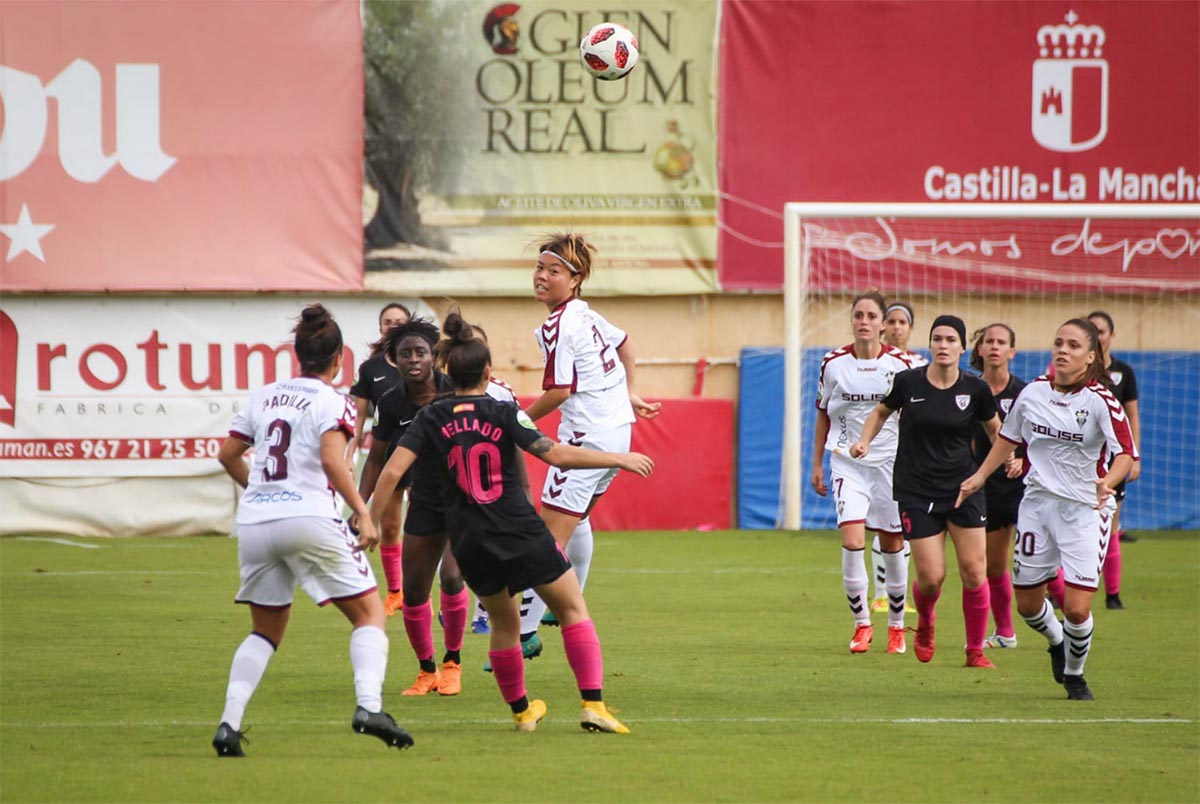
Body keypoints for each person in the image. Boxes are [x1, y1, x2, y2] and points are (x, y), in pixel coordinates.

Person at [370, 312, 654, 732]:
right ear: (488, 371)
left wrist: (370, 522)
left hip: (468, 539)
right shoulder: (504, 410)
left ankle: (522, 713)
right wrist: (617, 457)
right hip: (517, 527)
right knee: (574, 610)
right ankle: (593, 704)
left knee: (504, 624)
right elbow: (555, 454)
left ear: (446, 368)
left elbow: (391, 474)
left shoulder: (430, 417)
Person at [211, 304, 413, 757]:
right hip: (310, 517)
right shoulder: (331, 400)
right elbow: (329, 460)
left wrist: (262, 491)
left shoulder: (263, 395)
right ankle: (369, 707)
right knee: (370, 614)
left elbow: (227, 455)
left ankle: (229, 723)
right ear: (339, 357)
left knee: (265, 630)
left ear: (297, 354)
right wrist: (362, 510)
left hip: (257, 521)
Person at [960, 318, 1136, 700]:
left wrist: (1108, 482)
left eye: (1073, 345)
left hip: (1084, 510)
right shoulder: (1034, 393)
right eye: (1058, 342)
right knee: (1027, 605)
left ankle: (1075, 675)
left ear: (1090, 357)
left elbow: (1126, 453)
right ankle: (1056, 642)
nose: (1062, 350)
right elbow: (1008, 437)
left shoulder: (1101, 401)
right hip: (1037, 506)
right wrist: (979, 477)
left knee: (1075, 608)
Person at [518, 232, 662, 644]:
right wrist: (629, 392)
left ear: (575, 279)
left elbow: (560, 391)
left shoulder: (558, 326)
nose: (542, 276)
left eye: (554, 270)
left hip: (587, 441)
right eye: (540, 268)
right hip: (617, 432)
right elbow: (625, 343)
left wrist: (517, 422)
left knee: (545, 542)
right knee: (577, 519)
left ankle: (524, 633)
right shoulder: (587, 313)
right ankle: (567, 600)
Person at [851, 314, 1001, 669]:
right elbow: (880, 411)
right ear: (930, 344)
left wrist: (1004, 463)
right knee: (932, 579)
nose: (943, 345)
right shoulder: (908, 382)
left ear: (963, 348)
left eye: (951, 340)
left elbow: (997, 432)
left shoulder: (975, 389)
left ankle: (975, 651)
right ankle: (926, 623)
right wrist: (864, 441)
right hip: (916, 490)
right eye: (938, 339)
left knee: (974, 572)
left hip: (964, 488)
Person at [356, 318, 467, 697]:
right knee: (415, 592)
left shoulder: (456, 391)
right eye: (405, 354)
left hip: (461, 500)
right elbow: (376, 460)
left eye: (420, 352)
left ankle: (453, 663)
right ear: (395, 360)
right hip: (422, 500)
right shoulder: (390, 402)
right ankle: (426, 670)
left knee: (452, 577)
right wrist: (361, 504)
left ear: (434, 356)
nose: (414, 359)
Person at [811, 291, 920, 654]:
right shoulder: (833, 363)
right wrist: (816, 464)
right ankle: (861, 626)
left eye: (872, 316)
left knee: (892, 545)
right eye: (858, 314)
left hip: (890, 465)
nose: (864, 321)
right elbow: (823, 413)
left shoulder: (902, 365)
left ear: (883, 323)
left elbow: (913, 416)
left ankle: (896, 626)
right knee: (853, 541)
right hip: (847, 463)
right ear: (852, 320)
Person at [348, 302, 412, 615]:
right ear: (381, 327)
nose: (393, 326)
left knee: (432, 523)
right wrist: (350, 451)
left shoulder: (422, 362)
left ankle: (429, 590)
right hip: (388, 453)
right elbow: (359, 415)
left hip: (425, 454)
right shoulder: (371, 368)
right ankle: (396, 592)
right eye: (388, 322)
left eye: (400, 321)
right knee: (389, 525)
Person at [970, 324, 1027, 649]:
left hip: (1023, 485)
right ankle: (1005, 633)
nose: (993, 346)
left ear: (1012, 351)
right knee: (994, 564)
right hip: (987, 487)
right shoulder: (969, 390)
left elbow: (1039, 437)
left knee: (1041, 561)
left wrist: (1024, 460)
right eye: (988, 341)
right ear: (979, 349)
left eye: (1001, 342)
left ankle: (1070, 613)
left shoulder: (1024, 392)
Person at [870, 301, 926, 614]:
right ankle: (881, 595)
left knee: (900, 524)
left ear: (910, 328)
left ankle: (896, 596)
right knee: (883, 522)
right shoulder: (866, 362)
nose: (895, 327)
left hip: (906, 453)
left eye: (902, 321)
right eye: (890, 321)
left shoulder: (919, 365)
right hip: (875, 452)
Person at [1089, 310, 1141, 608]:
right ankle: (1058, 590)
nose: (1097, 336)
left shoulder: (1124, 372)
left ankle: (1112, 594)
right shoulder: (1076, 372)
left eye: (1101, 331)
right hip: (1081, 461)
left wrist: (1134, 457)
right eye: (1092, 331)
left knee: (1111, 523)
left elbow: (1132, 415)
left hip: (1114, 461)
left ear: (1111, 336)